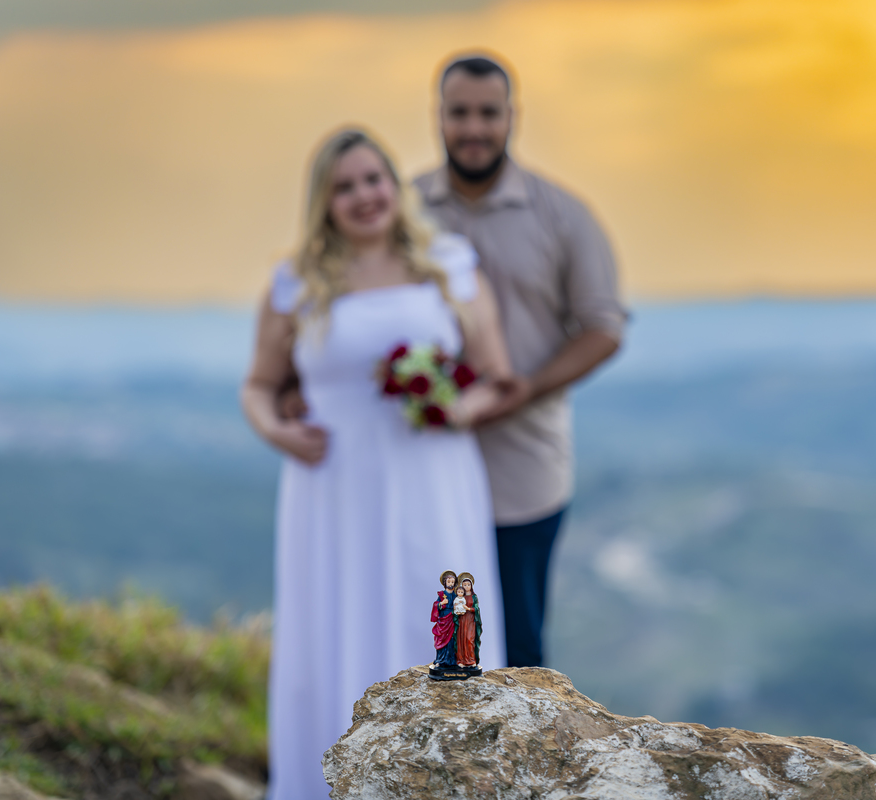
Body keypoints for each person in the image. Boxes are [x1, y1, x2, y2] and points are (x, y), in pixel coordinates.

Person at [240, 127, 509, 800]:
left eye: (374, 180)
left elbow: (497, 376)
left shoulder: (448, 263)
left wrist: (457, 407)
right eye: (345, 186)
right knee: (334, 626)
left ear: (396, 184)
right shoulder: (296, 282)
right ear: (323, 201)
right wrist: (277, 430)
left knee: (439, 618)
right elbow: (258, 386)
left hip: (434, 478)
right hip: (331, 486)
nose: (364, 196)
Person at [413, 54, 627, 668]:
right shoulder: (402, 211)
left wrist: (525, 386)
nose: (473, 128)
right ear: (439, 117)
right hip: (419, 464)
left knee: (515, 648)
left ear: (513, 117)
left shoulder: (562, 215)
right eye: (460, 113)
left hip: (522, 470)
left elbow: (604, 328)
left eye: (488, 113)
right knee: (431, 648)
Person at [454, 573, 482, 667]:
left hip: (470, 620)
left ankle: (471, 660)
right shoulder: (460, 597)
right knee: (461, 639)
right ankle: (461, 660)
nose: (467, 586)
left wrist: (469, 609)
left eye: (468, 585)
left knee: (469, 639)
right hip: (462, 619)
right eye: (464, 585)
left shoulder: (474, 597)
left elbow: (477, 608)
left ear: (471, 586)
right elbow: (456, 606)